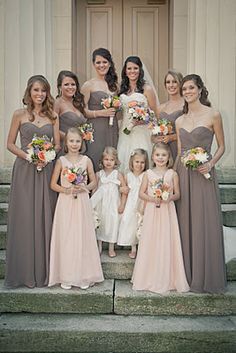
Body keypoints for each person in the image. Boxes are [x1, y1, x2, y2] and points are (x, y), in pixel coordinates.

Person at [5, 75, 60, 288]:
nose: (40, 94)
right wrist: (29, 156)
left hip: (46, 170)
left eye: (43, 90)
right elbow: (10, 144)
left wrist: (46, 156)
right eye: (36, 90)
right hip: (25, 170)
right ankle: (24, 271)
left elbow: (56, 144)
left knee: (45, 215)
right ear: (29, 92)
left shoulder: (53, 116)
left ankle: (44, 270)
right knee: (25, 216)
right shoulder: (18, 114)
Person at [175, 74, 226, 293]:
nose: (187, 92)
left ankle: (205, 274)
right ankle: (185, 273)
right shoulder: (179, 120)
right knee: (185, 221)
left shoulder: (213, 114)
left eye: (191, 88)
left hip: (204, 175)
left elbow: (222, 147)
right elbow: (179, 152)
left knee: (204, 221)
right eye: (184, 89)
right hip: (184, 174)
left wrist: (211, 164)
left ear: (199, 89)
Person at [48, 127, 104, 290]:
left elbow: (94, 181)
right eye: (71, 141)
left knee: (82, 236)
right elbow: (53, 184)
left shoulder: (86, 160)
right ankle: (66, 275)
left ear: (82, 143)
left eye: (77, 141)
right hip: (65, 203)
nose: (74, 144)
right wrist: (66, 190)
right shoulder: (61, 161)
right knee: (67, 237)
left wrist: (84, 187)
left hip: (81, 202)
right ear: (66, 143)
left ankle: (83, 275)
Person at [131, 143, 189, 294]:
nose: (161, 158)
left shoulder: (172, 174)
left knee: (166, 239)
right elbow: (141, 193)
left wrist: (169, 197)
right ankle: (147, 277)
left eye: (164, 155)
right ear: (153, 157)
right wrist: (152, 198)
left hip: (167, 211)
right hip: (152, 210)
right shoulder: (148, 174)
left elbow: (178, 194)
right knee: (151, 240)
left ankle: (167, 278)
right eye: (158, 155)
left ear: (168, 157)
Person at [117, 56, 159, 173]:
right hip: (125, 132)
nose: (132, 71)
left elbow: (155, 115)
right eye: (129, 68)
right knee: (124, 159)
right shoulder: (122, 90)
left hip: (142, 131)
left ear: (140, 70)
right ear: (125, 71)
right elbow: (120, 114)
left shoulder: (147, 89)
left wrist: (142, 120)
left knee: (141, 162)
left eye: (135, 68)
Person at [81, 48, 119, 171]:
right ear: (93, 64)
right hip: (95, 129)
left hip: (112, 129)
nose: (101, 65)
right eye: (98, 62)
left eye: (104, 62)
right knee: (96, 158)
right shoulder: (88, 85)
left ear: (109, 63)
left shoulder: (115, 85)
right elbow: (82, 111)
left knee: (111, 160)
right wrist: (100, 113)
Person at [91, 146, 126, 257]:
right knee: (101, 222)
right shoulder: (98, 174)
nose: (109, 162)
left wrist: (122, 205)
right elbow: (95, 189)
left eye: (111, 160)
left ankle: (111, 247)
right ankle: (99, 245)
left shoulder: (118, 174)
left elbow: (124, 190)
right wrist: (92, 206)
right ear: (102, 160)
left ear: (115, 161)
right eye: (106, 159)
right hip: (101, 203)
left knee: (112, 223)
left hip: (113, 204)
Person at [117, 148, 149, 259]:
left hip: (142, 202)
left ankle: (142, 247)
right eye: (137, 162)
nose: (139, 165)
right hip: (130, 203)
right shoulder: (127, 175)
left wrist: (144, 205)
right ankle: (133, 248)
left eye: (142, 162)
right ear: (131, 162)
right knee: (130, 223)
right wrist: (122, 205)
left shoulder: (146, 175)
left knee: (140, 223)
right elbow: (125, 193)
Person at [152, 70, 184, 160]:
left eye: (174, 82)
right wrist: (156, 138)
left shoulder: (186, 106)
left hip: (179, 148)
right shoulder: (160, 108)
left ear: (180, 84)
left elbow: (190, 131)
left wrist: (172, 137)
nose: (171, 85)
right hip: (163, 151)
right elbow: (154, 131)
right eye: (168, 82)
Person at [55, 70, 87, 156]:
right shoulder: (57, 103)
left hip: (79, 148)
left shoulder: (78, 103)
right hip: (64, 148)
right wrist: (70, 138)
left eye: (73, 84)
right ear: (60, 87)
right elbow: (53, 129)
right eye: (66, 84)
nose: (70, 87)